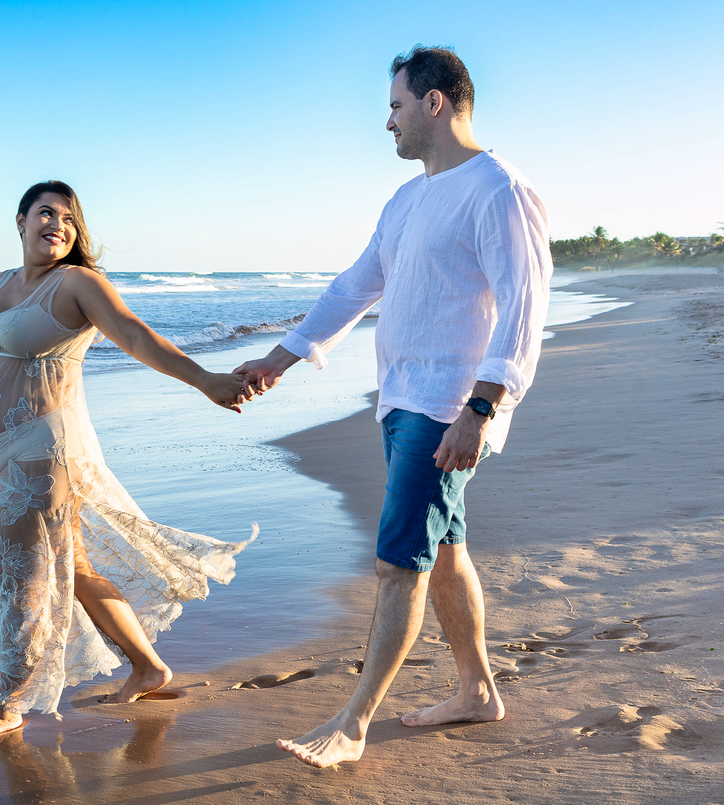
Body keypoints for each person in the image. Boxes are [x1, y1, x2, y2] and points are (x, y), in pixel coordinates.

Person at [235, 46, 552, 768]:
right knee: (443, 552)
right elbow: (355, 286)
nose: (388, 123)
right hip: (400, 399)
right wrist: (279, 360)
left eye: (396, 107)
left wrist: (482, 406)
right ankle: (476, 691)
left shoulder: (498, 188)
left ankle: (353, 722)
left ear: (434, 102)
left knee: (397, 562)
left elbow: (524, 310)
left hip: (446, 405)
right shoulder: (407, 200)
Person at [0, 180, 256, 745]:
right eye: (45, 213)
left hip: (44, 451)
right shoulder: (2, 283)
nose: (57, 224)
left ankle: (8, 705)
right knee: (75, 569)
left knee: (25, 579)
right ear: (20, 221)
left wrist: (206, 380)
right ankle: (147, 666)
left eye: (68, 217)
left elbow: (135, 336)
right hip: (2, 452)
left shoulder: (78, 284)